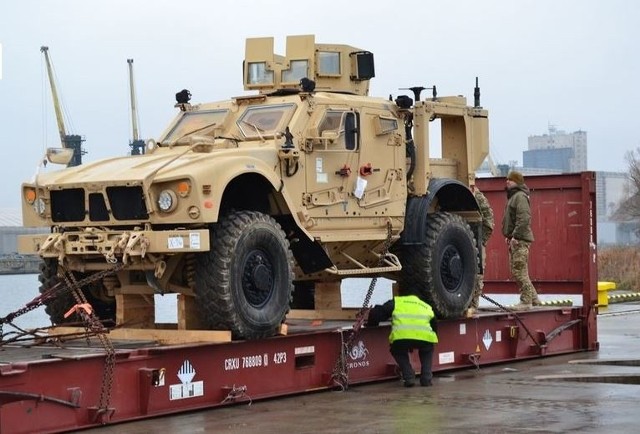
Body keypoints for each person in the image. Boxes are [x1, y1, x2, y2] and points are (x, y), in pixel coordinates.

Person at [366, 293, 438, 387]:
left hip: (402, 337)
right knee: (427, 350)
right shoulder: (426, 306)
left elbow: (377, 313)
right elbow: (434, 325)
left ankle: (408, 376)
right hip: (424, 337)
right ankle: (426, 379)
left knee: (397, 350)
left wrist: (372, 324)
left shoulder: (397, 302)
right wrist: (432, 337)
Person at [501, 170, 541, 309]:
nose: (507, 181)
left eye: (510, 180)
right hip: (516, 239)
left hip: (520, 240)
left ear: (517, 182)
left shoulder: (520, 197)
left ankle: (526, 302)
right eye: (507, 179)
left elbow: (524, 218)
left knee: (518, 271)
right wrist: (510, 236)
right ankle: (534, 300)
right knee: (520, 270)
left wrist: (515, 236)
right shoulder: (514, 197)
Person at [466, 184, 494, 317]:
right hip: (465, 239)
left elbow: (489, 221)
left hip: (476, 240)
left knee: (477, 273)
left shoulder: (478, 197)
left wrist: (481, 240)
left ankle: (473, 304)